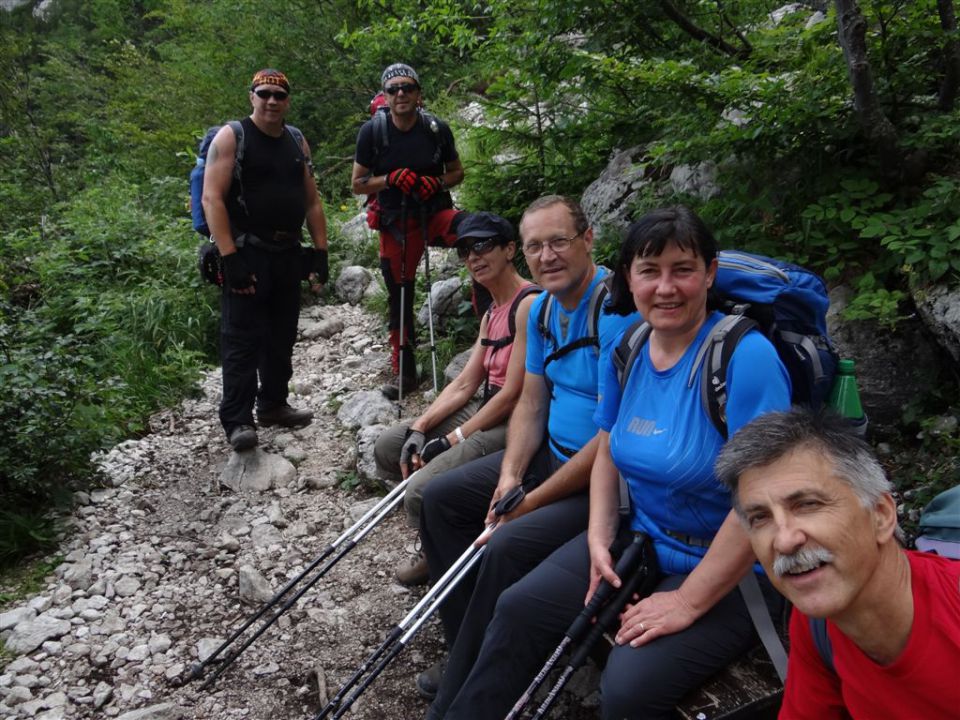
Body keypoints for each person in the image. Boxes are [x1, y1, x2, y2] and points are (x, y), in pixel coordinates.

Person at [433, 206, 792, 720]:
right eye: (649, 271)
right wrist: (599, 537)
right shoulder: (630, 347)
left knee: (626, 687)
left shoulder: (743, 358)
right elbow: (607, 448)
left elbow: (764, 499)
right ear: (629, 278)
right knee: (520, 607)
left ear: (709, 274)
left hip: (734, 566)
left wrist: (687, 601)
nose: (665, 287)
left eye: (683, 270)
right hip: (640, 539)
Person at [420, 195, 639, 713]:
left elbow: (609, 440)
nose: (548, 256)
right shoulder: (539, 310)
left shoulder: (616, 314)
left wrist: (531, 499)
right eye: (537, 246)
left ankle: (467, 683)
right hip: (547, 457)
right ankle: (467, 645)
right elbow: (532, 399)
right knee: (441, 498)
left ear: (587, 240)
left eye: (559, 241)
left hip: (597, 481)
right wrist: (510, 475)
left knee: (506, 543)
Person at [715, 408, 960, 720]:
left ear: (881, 515)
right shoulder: (819, 625)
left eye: (808, 504)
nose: (784, 540)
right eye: (760, 518)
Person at [374, 211, 539, 586]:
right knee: (389, 445)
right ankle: (445, 524)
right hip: (486, 405)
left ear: (510, 248)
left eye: (483, 245)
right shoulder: (491, 313)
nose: (473, 257)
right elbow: (466, 384)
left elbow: (514, 393)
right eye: (465, 250)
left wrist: (452, 439)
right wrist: (420, 427)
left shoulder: (528, 304)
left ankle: (438, 547)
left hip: (512, 418)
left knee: (420, 490)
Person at [202, 68, 328, 451]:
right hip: (247, 251)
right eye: (264, 94)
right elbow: (212, 199)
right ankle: (238, 420)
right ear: (251, 97)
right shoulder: (231, 138)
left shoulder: (295, 140)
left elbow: (311, 199)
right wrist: (230, 257)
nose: (271, 101)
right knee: (241, 339)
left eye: (279, 95)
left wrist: (320, 253)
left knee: (282, 335)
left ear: (288, 100)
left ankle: (273, 403)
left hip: (288, 251)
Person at [351, 63, 465, 398]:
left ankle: (495, 338)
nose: (401, 94)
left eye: (408, 88)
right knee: (400, 293)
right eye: (393, 89)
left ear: (418, 94)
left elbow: (457, 172)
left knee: (480, 236)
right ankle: (405, 370)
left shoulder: (435, 128)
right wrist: (389, 179)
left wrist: (437, 182)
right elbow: (358, 184)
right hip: (397, 222)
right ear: (385, 97)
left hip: (435, 212)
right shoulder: (373, 132)